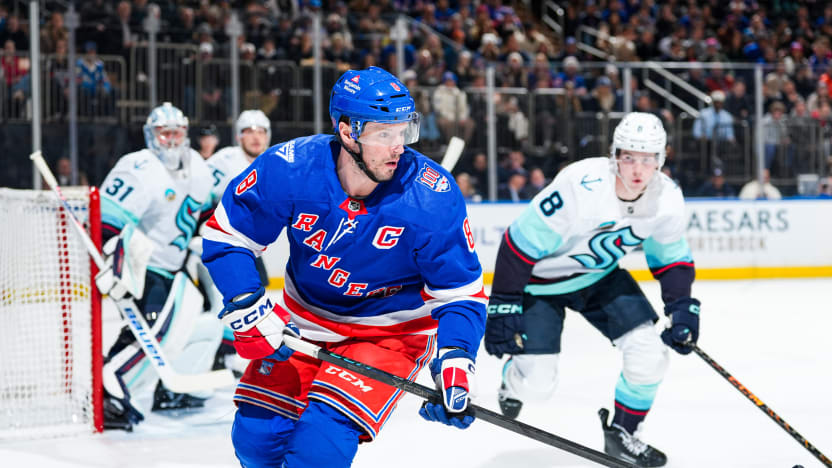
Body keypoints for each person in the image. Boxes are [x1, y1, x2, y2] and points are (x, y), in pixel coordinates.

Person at [201, 66, 487, 468]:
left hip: (389, 335)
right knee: (255, 439)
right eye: (383, 133)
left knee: (318, 449)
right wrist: (248, 302)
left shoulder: (431, 196)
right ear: (348, 131)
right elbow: (229, 236)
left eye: (403, 131)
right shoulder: (291, 167)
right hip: (305, 322)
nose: (397, 147)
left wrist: (456, 359)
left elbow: (460, 294)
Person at [485, 112, 700, 467]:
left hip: (599, 277)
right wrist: (504, 304)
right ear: (614, 154)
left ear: (660, 161)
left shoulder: (667, 199)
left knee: (650, 354)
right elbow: (518, 244)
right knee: (538, 385)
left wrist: (682, 307)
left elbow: (670, 257)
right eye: (629, 156)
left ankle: (623, 433)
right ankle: (512, 380)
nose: (637, 169)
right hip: (540, 283)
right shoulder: (581, 183)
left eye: (647, 159)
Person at [95, 102, 222, 430]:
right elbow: (106, 221)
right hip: (141, 266)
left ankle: (164, 391)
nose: (169, 139)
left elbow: (206, 213)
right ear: (150, 135)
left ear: (185, 133)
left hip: (175, 269)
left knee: (180, 331)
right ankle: (109, 390)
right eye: (162, 133)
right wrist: (113, 259)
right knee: (150, 330)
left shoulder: (198, 166)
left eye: (176, 132)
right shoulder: (138, 167)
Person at [202, 109, 274, 374]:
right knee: (225, 296)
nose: (255, 137)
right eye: (248, 131)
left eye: (261, 131)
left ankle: (227, 350)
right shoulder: (224, 161)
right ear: (238, 136)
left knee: (256, 290)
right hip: (216, 242)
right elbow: (196, 193)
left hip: (247, 243)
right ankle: (222, 353)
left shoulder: (273, 162)